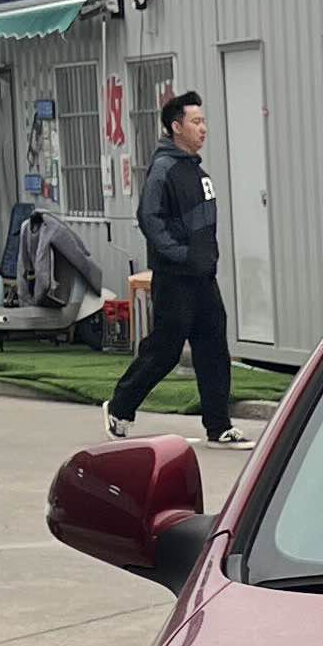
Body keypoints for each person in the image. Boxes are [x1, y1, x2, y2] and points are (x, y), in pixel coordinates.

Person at [109, 91, 236, 444]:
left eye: (203, 121)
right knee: (164, 350)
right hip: (175, 278)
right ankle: (120, 407)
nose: (203, 128)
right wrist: (180, 254)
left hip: (203, 276)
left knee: (213, 350)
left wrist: (205, 258)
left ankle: (219, 426)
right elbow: (149, 219)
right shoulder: (164, 168)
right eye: (196, 122)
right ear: (176, 127)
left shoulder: (197, 171)